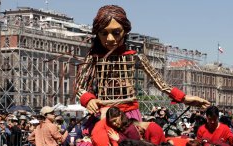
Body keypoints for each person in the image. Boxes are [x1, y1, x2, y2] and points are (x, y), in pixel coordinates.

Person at [76, 5, 210, 120]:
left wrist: (184, 97)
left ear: (125, 31)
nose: (110, 39)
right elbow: (79, 86)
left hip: (129, 114)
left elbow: (161, 84)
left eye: (116, 32)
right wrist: (88, 99)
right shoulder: (93, 58)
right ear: (97, 34)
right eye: (104, 33)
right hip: (103, 114)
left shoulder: (135, 57)